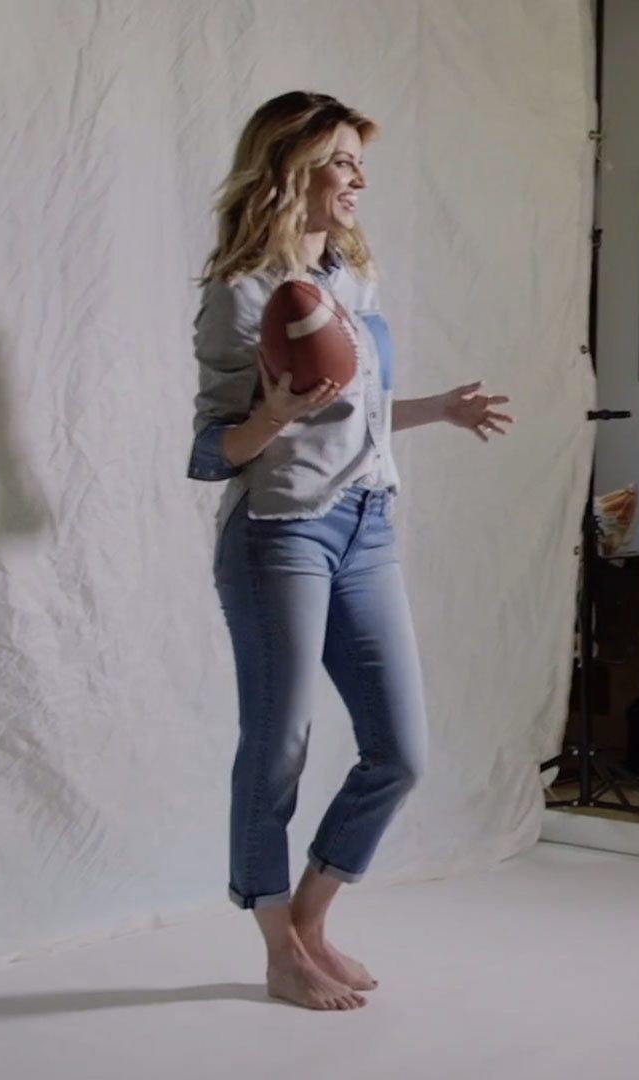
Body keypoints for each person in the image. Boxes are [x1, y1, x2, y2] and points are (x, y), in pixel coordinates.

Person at [188, 92, 513, 1010]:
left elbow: (354, 413)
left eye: (360, 161)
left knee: (399, 752)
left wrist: (439, 410)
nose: (359, 177)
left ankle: (311, 921)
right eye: (341, 159)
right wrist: (270, 417)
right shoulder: (242, 294)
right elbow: (213, 450)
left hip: (368, 525)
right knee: (278, 746)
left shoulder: (348, 278)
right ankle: (276, 947)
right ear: (289, 169)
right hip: (280, 534)